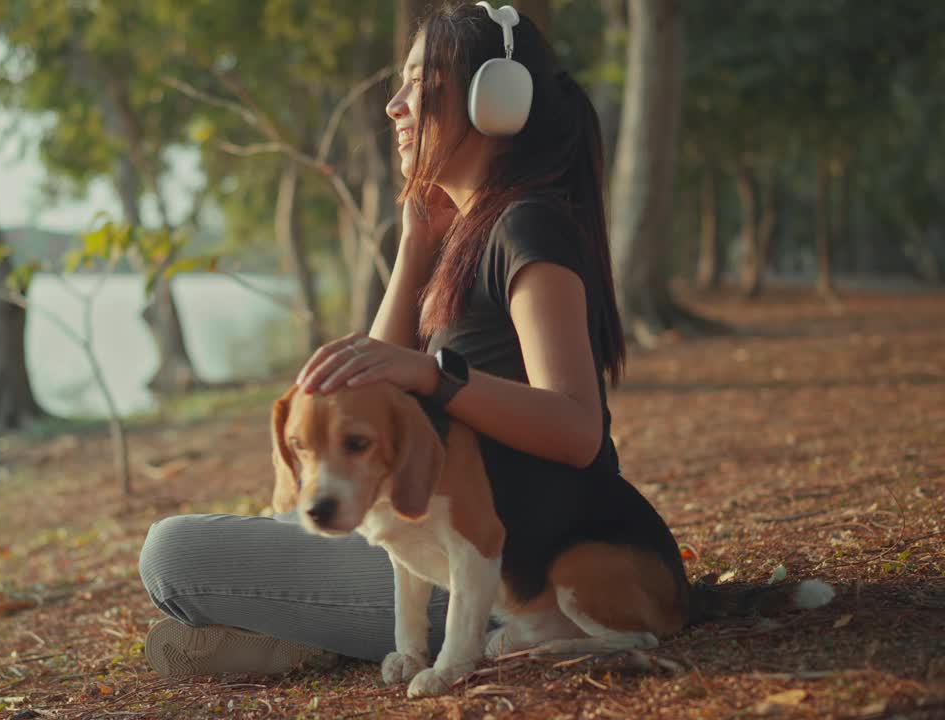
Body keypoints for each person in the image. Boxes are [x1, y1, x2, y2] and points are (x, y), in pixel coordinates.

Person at [137, 0, 631, 677]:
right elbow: (365, 392)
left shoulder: (527, 228)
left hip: (497, 572)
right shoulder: (471, 234)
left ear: (497, 102)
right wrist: (415, 245)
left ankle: (298, 635)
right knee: (249, 531)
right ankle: (297, 636)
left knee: (172, 554)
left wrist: (436, 376)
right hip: (420, 534)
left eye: (421, 87)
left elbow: (578, 428)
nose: (395, 106)